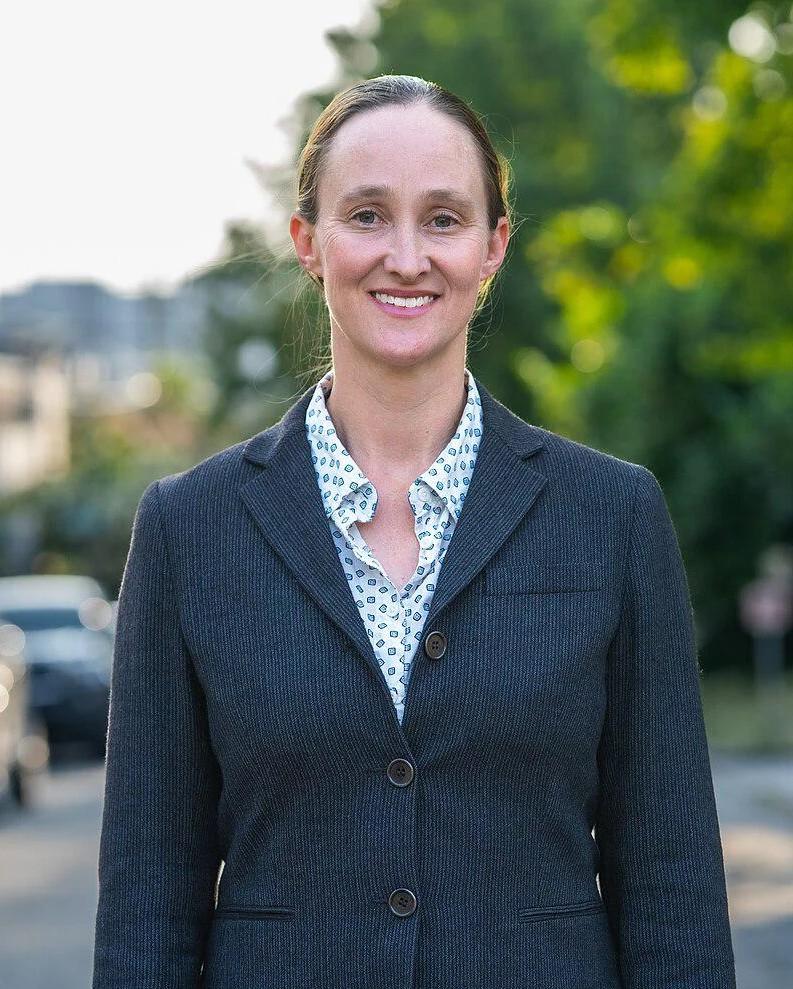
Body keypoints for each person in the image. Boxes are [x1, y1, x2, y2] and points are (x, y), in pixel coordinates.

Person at [92, 74, 737, 988]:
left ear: (492, 247)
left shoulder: (613, 517)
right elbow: (147, 903)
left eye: (442, 218)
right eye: (366, 215)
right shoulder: (188, 529)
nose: (405, 255)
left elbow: (669, 881)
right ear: (308, 243)